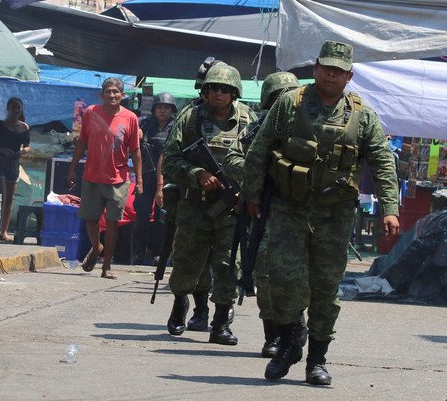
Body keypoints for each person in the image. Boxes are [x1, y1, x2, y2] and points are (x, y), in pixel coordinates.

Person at [241, 41, 399, 385]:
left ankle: (317, 360)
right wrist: (251, 194)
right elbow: (260, 148)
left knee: (326, 288)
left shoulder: (362, 115)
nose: (331, 74)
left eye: (339, 70)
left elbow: (383, 162)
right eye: (326, 67)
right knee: (281, 279)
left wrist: (390, 207)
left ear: (349, 75)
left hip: (335, 213)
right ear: (315, 68)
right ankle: (289, 339)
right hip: (289, 206)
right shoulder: (289, 103)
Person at [161, 62, 256, 345]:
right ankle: (181, 302)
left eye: (225, 90)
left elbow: (258, 160)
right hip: (195, 205)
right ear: (205, 91)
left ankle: (221, 322)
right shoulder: (189, 118)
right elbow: (171, 160)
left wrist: (247, 192)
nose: (218, 94)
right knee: (187, 260)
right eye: (213, 88)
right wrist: (196, 173)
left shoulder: (248, 120)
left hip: (231, 207)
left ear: (234, 93)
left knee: (228, 264)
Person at [223, 71, 307, 358]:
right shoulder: (257, 129)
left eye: (290, 96)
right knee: (264, 274)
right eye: (278, 98)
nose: (285, 102)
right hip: (265, 211)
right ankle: (272, 334)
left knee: (300, 275)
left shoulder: (309, 127)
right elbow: (231, 158)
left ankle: (296, 322)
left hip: (300, 212)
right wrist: (258, 170)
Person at [68, 77, 142, 280]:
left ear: (122, 95)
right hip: (92, 175)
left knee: (112, 223)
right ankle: (96, 246)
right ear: (102, 95)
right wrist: (72, 168)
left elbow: (135, 150)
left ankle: (106, 266)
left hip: (118, 178)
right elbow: (82, 142)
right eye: (108, 92)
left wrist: (140, 179)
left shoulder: (130, 118)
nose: (112, 95)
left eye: (115, 92)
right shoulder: (91, 112)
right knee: (90, 219)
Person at [135, 92, 176, 263]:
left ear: (172, 109)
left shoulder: (176, 127)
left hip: (167, 178)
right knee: (142, 213)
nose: (163, 111)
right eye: (160, 107)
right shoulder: (146, 124)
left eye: (166, 107)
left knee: (163, 216)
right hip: (146, 176)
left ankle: (159, 252)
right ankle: (139, 251)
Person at [0, 97, 31, 242]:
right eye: (13, 108)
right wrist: (3, 150)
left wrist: (22, 152)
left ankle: (4, 231)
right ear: (7, 109)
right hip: (0, 161)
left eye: (18, 108)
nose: (16, 111)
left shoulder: (25, 127)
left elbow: (28, 146)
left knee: (9, 199)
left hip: (14, 163)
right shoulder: (0, 125)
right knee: (0, 197)